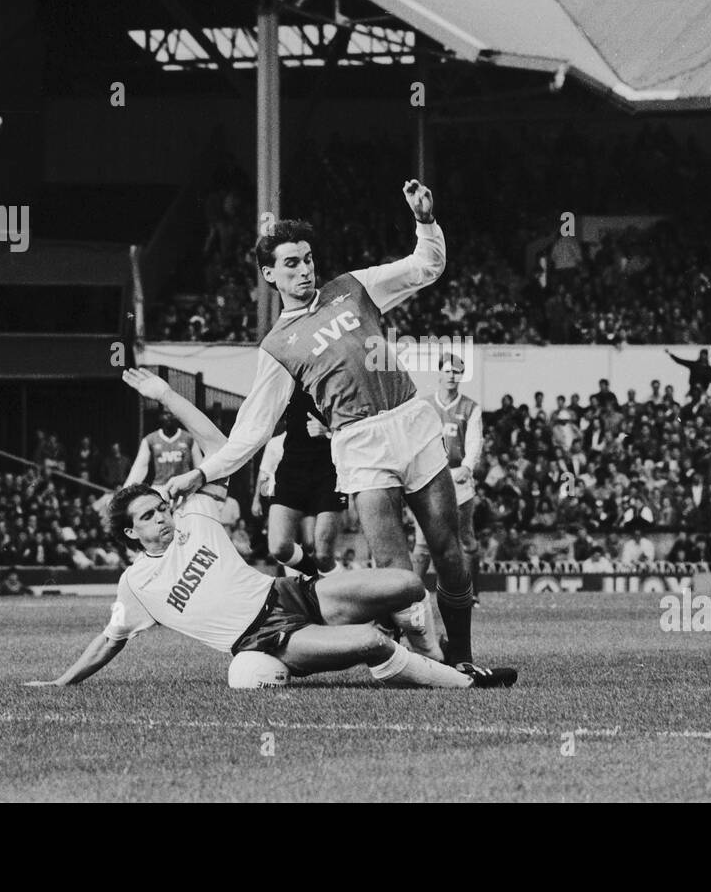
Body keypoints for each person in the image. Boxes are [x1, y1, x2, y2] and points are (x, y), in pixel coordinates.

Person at [175, 180, 497, 677]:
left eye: (307, 258)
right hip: (359, 444)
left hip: (410, 421)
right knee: (397, 576)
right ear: (269, 275)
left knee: (447, 548)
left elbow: (426, 266)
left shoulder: (353, 286)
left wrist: (425, 220)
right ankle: (427, 664)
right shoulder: (277, 347)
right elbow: (251, 432)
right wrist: (201, 475)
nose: (304, 269)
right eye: (291, 263)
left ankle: (463, 654)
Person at [24, 369, 515, 690]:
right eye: (150, 516)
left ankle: (397, 629)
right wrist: (61, 682)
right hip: (262, 639)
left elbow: (218, 444)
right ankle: (463, 680)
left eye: (161, 508)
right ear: (131, 535)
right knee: (369, 643)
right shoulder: (136, 586)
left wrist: (169, 395)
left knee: (407, 584)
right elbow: (108, 641)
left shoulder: (194, 517)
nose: (163, 516)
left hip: (291, 593)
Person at [413, 353, 483, 606]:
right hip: (430, 476)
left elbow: (475, 441)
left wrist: (467, 466)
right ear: (439, 374)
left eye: (457, 371)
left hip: (458, 476)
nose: (452, 375)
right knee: (422, 541)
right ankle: (413, 595)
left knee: (464, 537)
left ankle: (471, 593)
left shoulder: (470, 407)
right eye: (448, 370)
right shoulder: (424, 405)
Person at [255, 387, 345, 577]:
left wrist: (329, 433)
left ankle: (343, 594)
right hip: (292, 470)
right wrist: (258, 498)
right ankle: (313, 583)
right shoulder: (286, 376)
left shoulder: (336, 378)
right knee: (279, 547)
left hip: (328, 471)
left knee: (322, 553)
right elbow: (264, 473)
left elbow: (359, 422)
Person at [123, 407, 203, 488]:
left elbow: (200, 467)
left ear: (178, 416)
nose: (169, 416)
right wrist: (126, 490)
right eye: (166, 413)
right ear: (160, 416)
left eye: (172, 413)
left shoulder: (190, 438)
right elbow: (140, 468)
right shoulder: (150, 439)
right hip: (160, 486)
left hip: (183, 486)